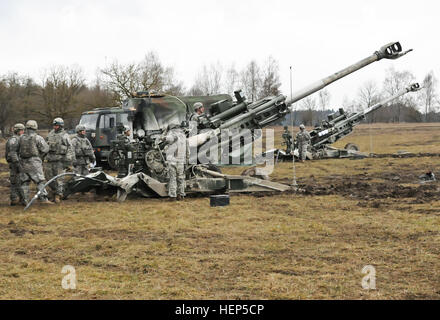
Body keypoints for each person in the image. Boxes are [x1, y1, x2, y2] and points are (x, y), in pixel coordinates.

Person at [18, 120, 53, 205]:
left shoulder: (21, 137)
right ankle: (43, 199)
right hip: (34, 162)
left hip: (23, 162)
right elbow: (45, 149)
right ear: (35, 127)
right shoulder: (37, 138)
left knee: (24, 182)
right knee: (40, 181)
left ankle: (25, 200)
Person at [45, 117, 74, 203]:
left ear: (61, 126)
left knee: (59, 179)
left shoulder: (65, 135)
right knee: (49, 178)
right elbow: (45, 146)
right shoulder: (50, 134)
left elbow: (70, 148)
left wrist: (68, 162)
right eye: (54, 125)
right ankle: (53, 191)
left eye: (57, 125)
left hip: (59, 161)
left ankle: (58, 195)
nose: (55, 127)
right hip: (50, 160)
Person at [163, 123, 189, 200]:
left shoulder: (172, 135)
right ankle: (181, 195)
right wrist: (186, 161)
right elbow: (188, 151)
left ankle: (172, 196)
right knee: (181, 178)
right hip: (181, 161)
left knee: (173, 178)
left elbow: (166, 139)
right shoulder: (184, 137)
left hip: (172, 161)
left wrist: (163, 135)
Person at [5, 123, 25, 205]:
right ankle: (17, 199)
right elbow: (12, 153)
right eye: (22, 130)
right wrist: (17, 163)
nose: (23, 132)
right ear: (18, 131)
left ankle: (16, 199)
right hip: (16, 163)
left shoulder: (11, 139)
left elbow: (7, 155)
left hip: (14, 163)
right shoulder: (15, 140)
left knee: (15, 181)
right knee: (18, 181)